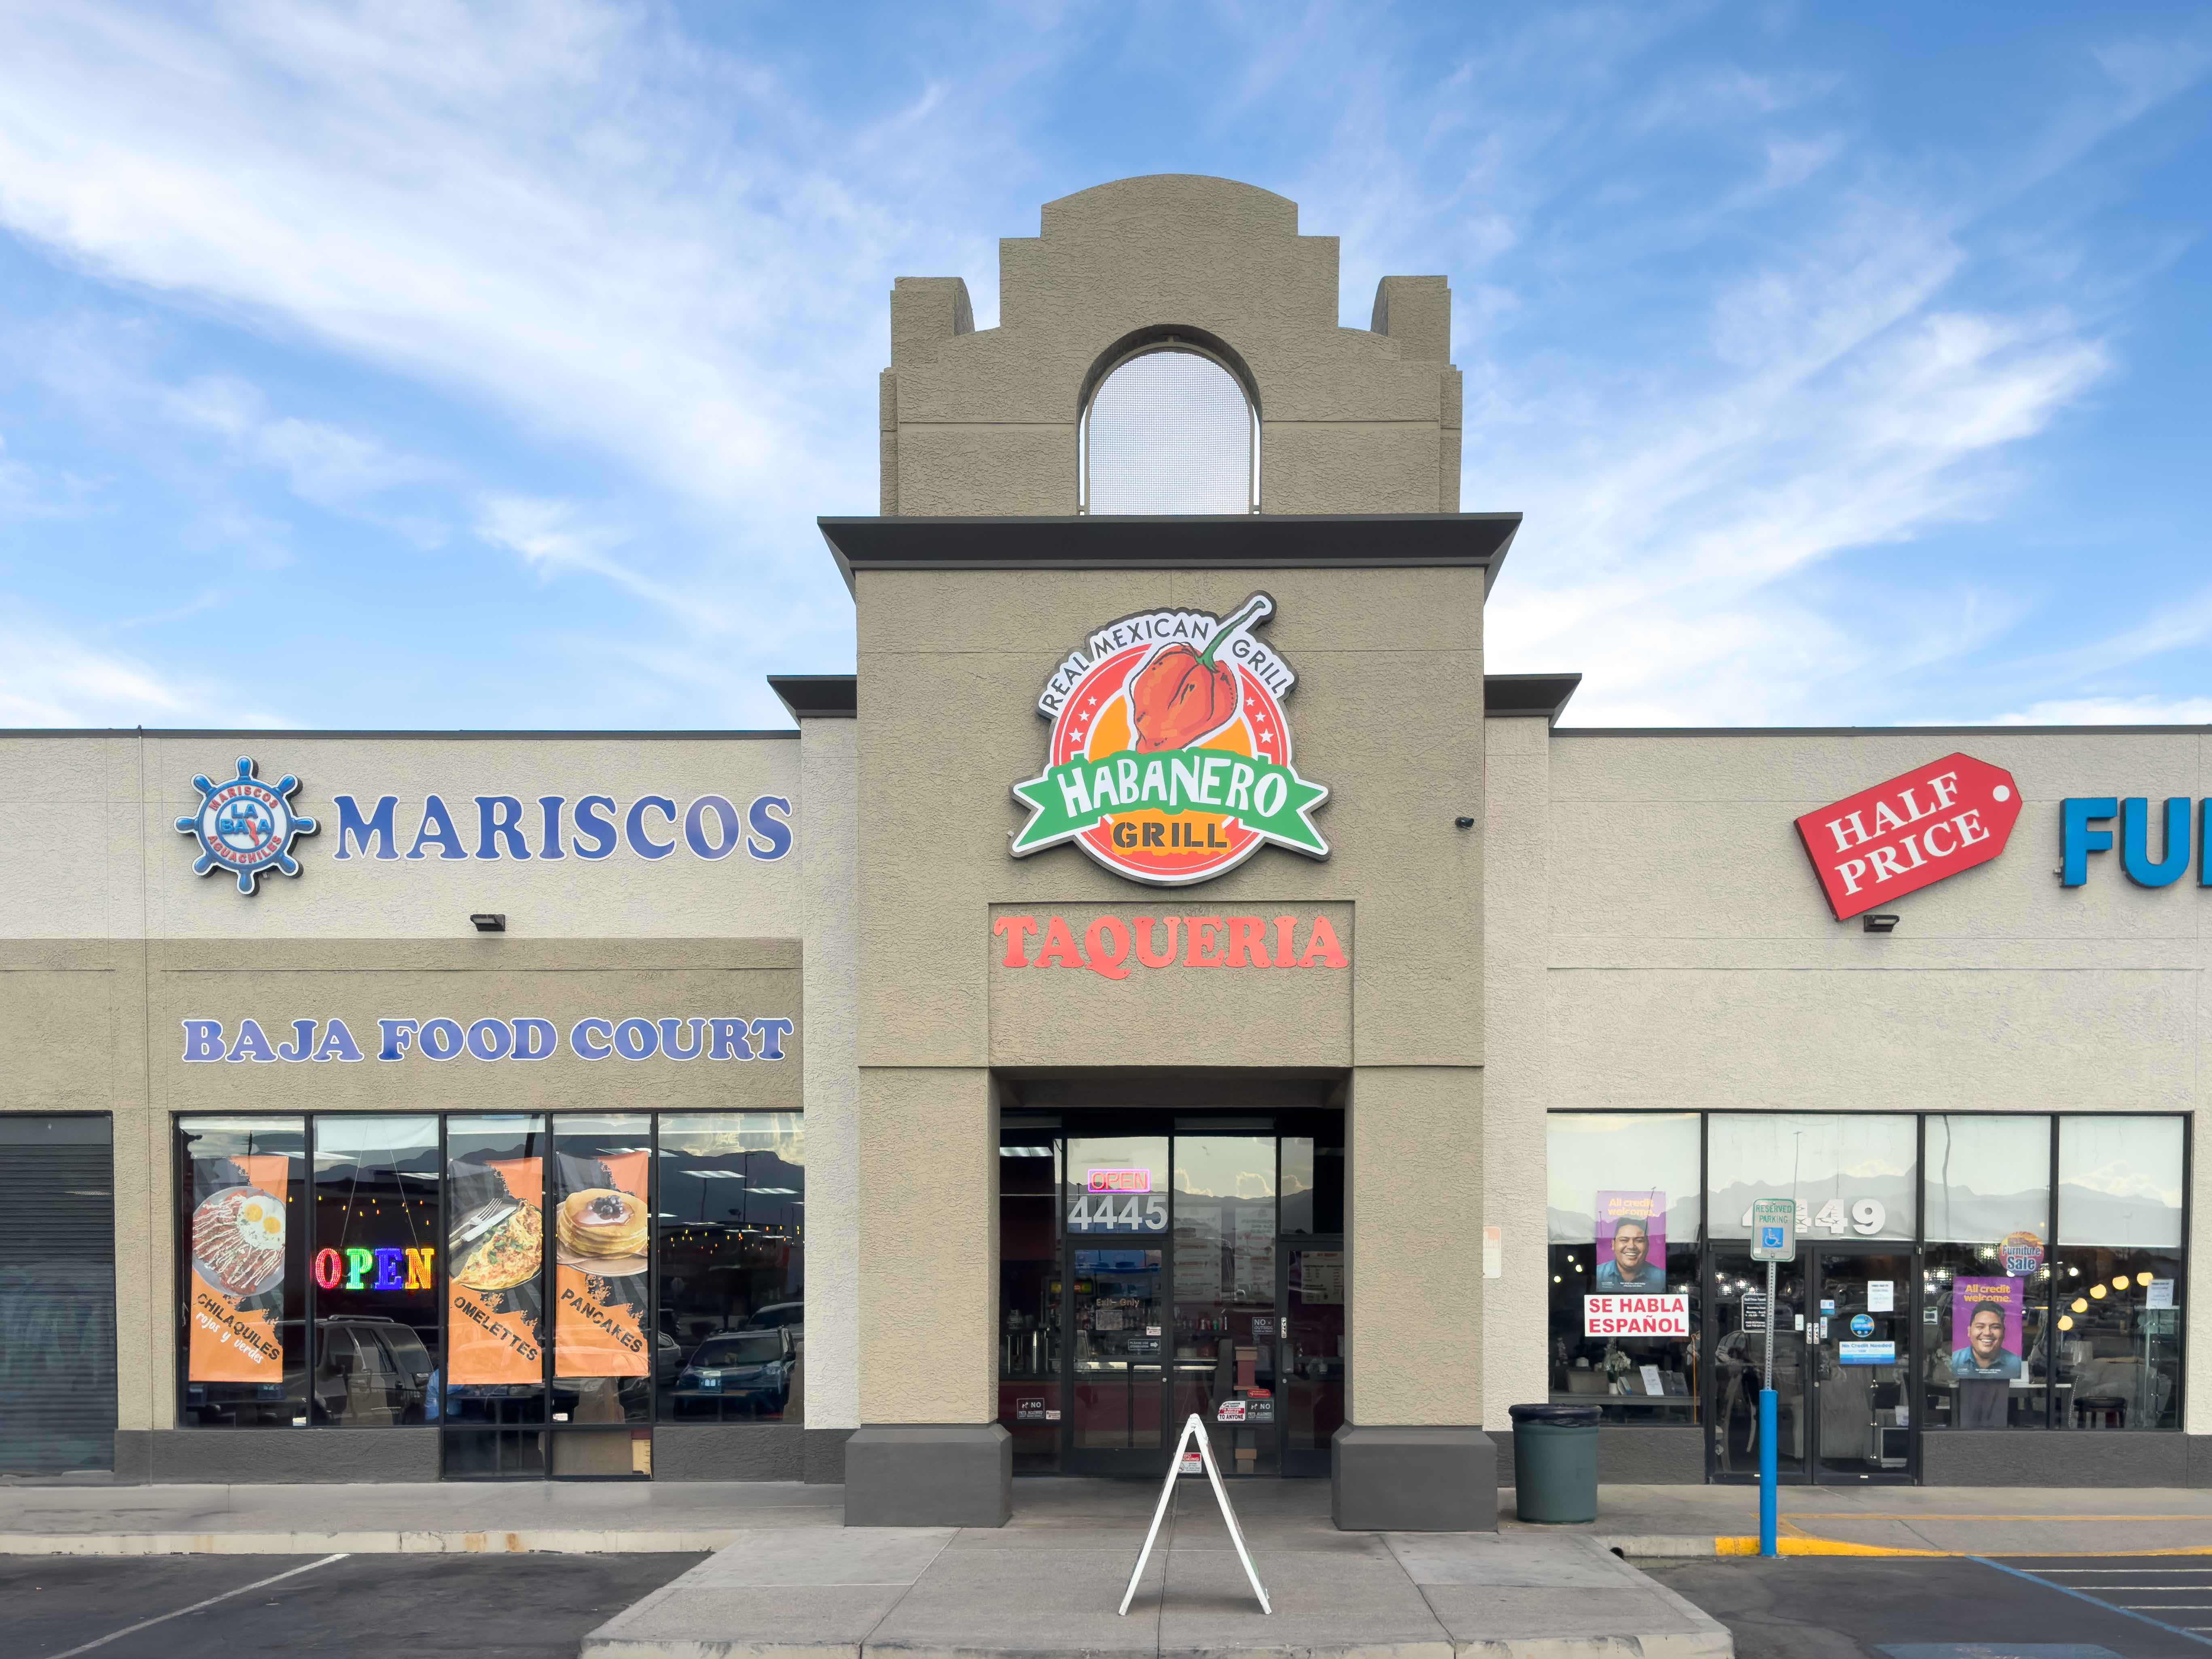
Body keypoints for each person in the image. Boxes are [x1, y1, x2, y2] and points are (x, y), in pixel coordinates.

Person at [1950, 1303, 2022, 1379]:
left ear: (2003, 1333)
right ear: (1969, 1331)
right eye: (1980, 1327)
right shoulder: (1953, 1361)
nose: (1987, 1333)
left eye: (1995, 1327)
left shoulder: (2018, 1365)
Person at [1594, 1216, 1665, 1291]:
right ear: (1613, 1245)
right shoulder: (1597, 1275)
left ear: (1647, 1246)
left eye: (1639, 1241)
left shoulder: (1662, 1278)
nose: (1631, 1246)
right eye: (1624, 1240)